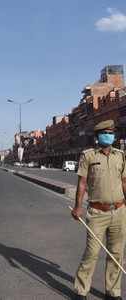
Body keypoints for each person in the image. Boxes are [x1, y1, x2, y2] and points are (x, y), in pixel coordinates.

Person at [71, 120, 126, 300]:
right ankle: (81, 290)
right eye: (105, 132)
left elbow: (124, 182)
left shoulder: (121, 156)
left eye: (111, 132)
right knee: (92, 253)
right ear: (97, 136)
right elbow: (82, 183)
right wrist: (78, 207)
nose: (109, 135)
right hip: (97, 213)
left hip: (119, 211)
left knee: (116, 254)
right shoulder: (88, 156)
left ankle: (113, 291)